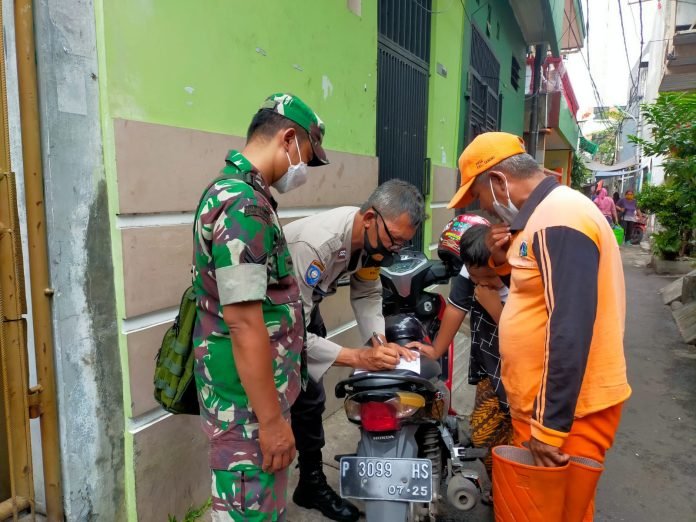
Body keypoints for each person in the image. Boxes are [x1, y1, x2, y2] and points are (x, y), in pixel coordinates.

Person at [447, 132, 631, 520]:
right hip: (551, 410)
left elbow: (569, 327)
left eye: (479, 196)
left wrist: (549, 427)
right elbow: (537, 296)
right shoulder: (544, 219)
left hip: (568, 415)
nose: (484, 208)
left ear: (498, 182)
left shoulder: (559, 219)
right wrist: (500, 262)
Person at [192, 93, 329, 521]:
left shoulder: (242, 195)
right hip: (247, 410)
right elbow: (244, 323)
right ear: (287, 139)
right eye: (307, 155)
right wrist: (270, 423)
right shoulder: (243, 206)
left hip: (251, 400)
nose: (304, 169)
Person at [284, 180, 425, 521]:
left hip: (302, 311)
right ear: (370, 219)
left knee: (310, 401)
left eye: (403, 243)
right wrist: (358, 357)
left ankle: (311, 483)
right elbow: (290, 335)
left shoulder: (370, 243)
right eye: (394, 240)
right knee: (275, 406)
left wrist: (378, 342)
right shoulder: (316, 245)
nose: (395, 250)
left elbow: (367, 292)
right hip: (268, 321)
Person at [407, 217, 512, 503]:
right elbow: (456, 308)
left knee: (519, 436)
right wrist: (435, 350)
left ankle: (513, 492)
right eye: (475, 278)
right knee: (484, 432)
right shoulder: (472, 269)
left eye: (488, 278)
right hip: (491, 364)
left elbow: (526, 337)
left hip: (524, 368)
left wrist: (494, 308)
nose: (480, 284)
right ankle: (499, 487)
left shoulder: (522, 275)